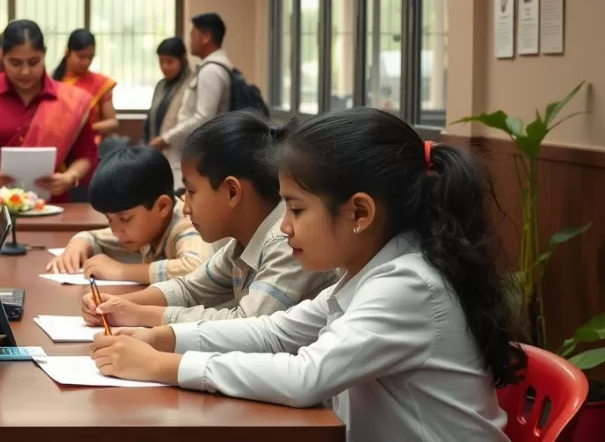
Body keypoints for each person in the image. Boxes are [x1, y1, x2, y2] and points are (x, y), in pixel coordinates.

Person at [92, 107, 525, 442]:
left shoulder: (408, 285)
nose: (283, 227)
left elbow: (305, 377)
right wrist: (164, 338)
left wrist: (164, 365)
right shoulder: (367, 274)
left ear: (359, 213)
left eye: (296, 209)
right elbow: (275, 333)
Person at [80, 111, 338, 328]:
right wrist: (118, 303)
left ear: (232, 192)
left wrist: (141, 315)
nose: (186, 207)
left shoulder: (286, 240)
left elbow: (246, 325)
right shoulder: (241, 245)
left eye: (191, 192)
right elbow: (189, 289)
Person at [0, 19, 99, 204]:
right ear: (1, 56)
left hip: (48, 205)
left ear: (44, 54)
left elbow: (87, 154)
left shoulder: (69, 100)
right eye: (15, 63)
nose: (25, 71)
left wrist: (69, 177)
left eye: (33, 62)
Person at [45, 146, 209, 283]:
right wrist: (80, 243)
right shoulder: (145, 228)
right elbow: (97, 237)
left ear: (162, 207)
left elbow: (197, 268)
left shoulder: (189, 225)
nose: (116, 231)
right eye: (109, 219)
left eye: (125, 218)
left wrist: (122, 271)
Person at [151, 13, 231, 159]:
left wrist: (166, 139)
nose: (190, 41)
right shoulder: (212, 67)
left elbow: (203, 118)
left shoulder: (211, 71)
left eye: (193, 35)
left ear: (206, 37)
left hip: (197, 152)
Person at [143, 37, 194, 185]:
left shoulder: (191, 84)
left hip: (178, 154)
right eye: (161, 62)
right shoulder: (161, 85)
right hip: (156, 150)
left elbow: (191, 121)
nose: (165, 67)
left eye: (170, 62)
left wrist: (165, 139)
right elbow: (151, 116)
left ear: (182, 60)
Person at [52, 29, 118, 140]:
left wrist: (84, 129)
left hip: (92, 144)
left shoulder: (101, 83)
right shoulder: (52, 82)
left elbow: (113, 123)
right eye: (81, 57)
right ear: (67, 52)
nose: (86, 62)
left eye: (90, 57)